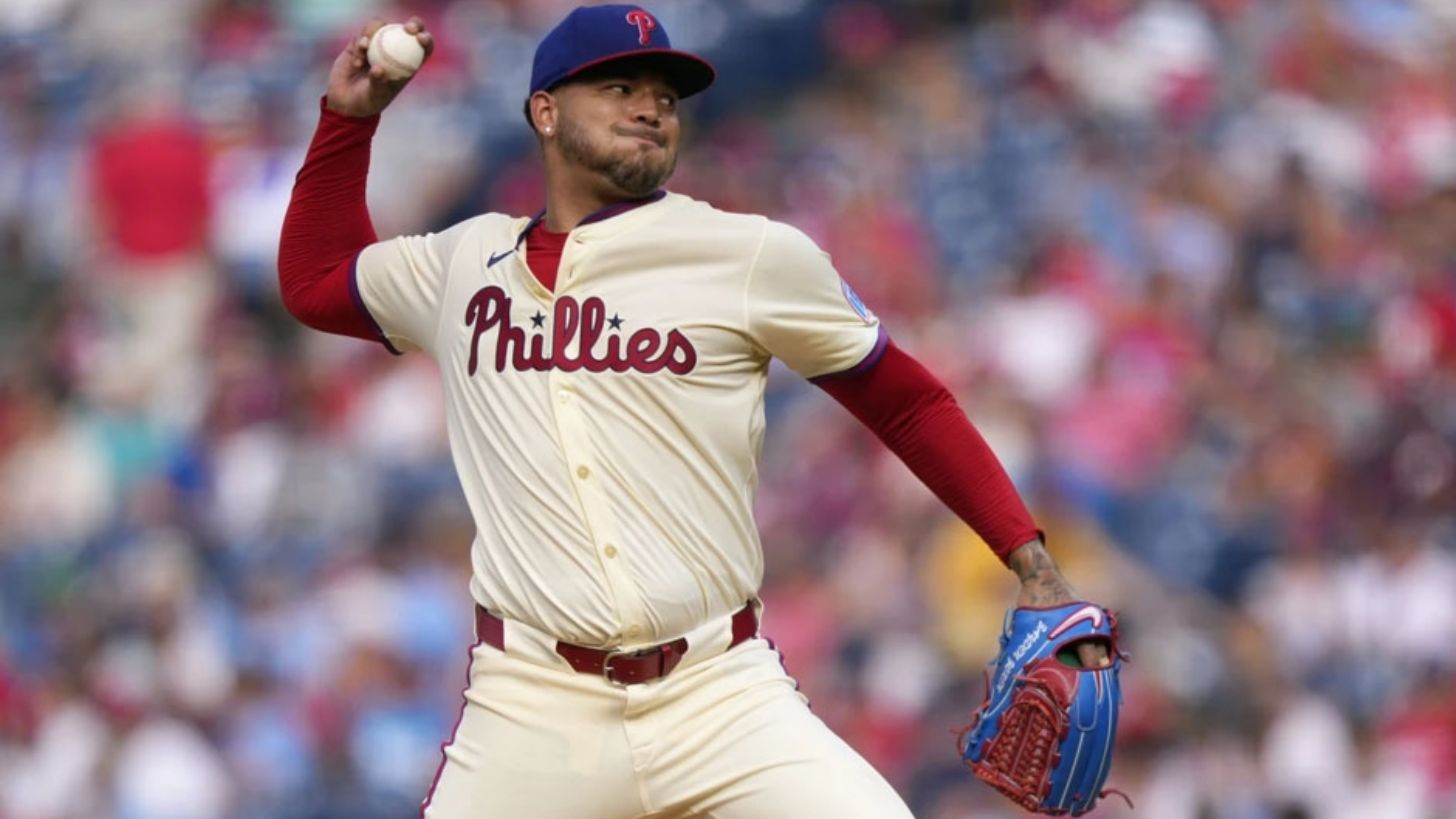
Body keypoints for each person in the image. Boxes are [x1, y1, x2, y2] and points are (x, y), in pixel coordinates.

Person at [278, 6, 1111, 817]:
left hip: (719, 691)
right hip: (532, 705)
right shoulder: (462, 263)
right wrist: (349, 121)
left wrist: (1030, 560)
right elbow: (315, 283)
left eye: (665, 96)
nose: (650, 107)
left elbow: (907, 402)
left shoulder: (747, 254)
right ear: (545, 112)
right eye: (618, 87)